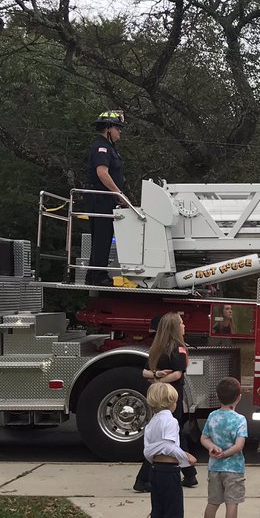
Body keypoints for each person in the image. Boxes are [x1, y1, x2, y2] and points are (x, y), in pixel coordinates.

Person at [137, 312, 197, 491]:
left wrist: (157, 382)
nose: (184, 326)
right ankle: (189, 474)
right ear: (173, 328)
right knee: (171, 434)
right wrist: (156, 376)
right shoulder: (171, 348)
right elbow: (146, 372)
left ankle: (145, 479)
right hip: (170, 397)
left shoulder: (169, 348)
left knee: (169, 434)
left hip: (165, 396)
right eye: (181, 323)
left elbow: (175, 373)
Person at [142, 382, 197, 518]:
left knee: (158, 509)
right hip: (169, 470)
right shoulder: (171, 421)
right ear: (171, 402)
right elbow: (169, 446)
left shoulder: (152, 423)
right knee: (173, 510)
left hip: (155, 469)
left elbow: (148, 450)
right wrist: (186, 458)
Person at [199, 376, 248, 518]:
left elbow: (203, 438)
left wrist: (213, 448)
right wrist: (225, 454)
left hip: (214, 468)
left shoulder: (212, 416)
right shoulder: (240, 419)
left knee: (212, 502)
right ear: (239, 397)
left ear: (218, 397)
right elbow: (239, 445)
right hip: (233, 468)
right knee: (231, 503)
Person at [82, 110, 129, 287]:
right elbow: (102, 173)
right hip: (100, 198)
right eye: (118, 128)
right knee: (102, 236)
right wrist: (119, 194)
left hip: (105, 198)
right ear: (108, 128)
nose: (120, 132)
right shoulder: (101, 147)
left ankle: (92, 274)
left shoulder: (109, 148)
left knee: (103, 236)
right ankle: (98, 275)